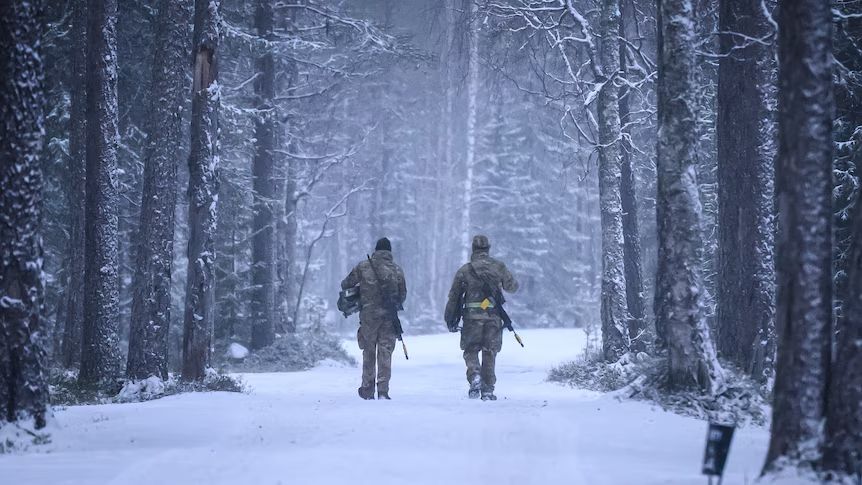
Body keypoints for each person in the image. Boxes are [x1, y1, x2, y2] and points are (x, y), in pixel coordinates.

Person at [444, 235, 518, 400]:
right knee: (490, 352)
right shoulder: (498, 267)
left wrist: (449, 318)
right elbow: (512, 287)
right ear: (488, 248)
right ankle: (488, 389)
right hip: (493, 317)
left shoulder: (465, 270)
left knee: (471, 350)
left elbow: (454, 296)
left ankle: (475, 375)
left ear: (473, 249)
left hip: (471, 319)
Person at [341, 237, 407, 400]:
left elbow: (346, 284)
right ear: (389, 252)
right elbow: (402, 295)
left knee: (368, 351)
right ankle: (383, 390)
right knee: (385, 353)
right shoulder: (397, 270)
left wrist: (361, 293)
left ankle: (367, 389)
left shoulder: (363, 266)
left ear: (376, 250)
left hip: (368, 316)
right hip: (389, 317)